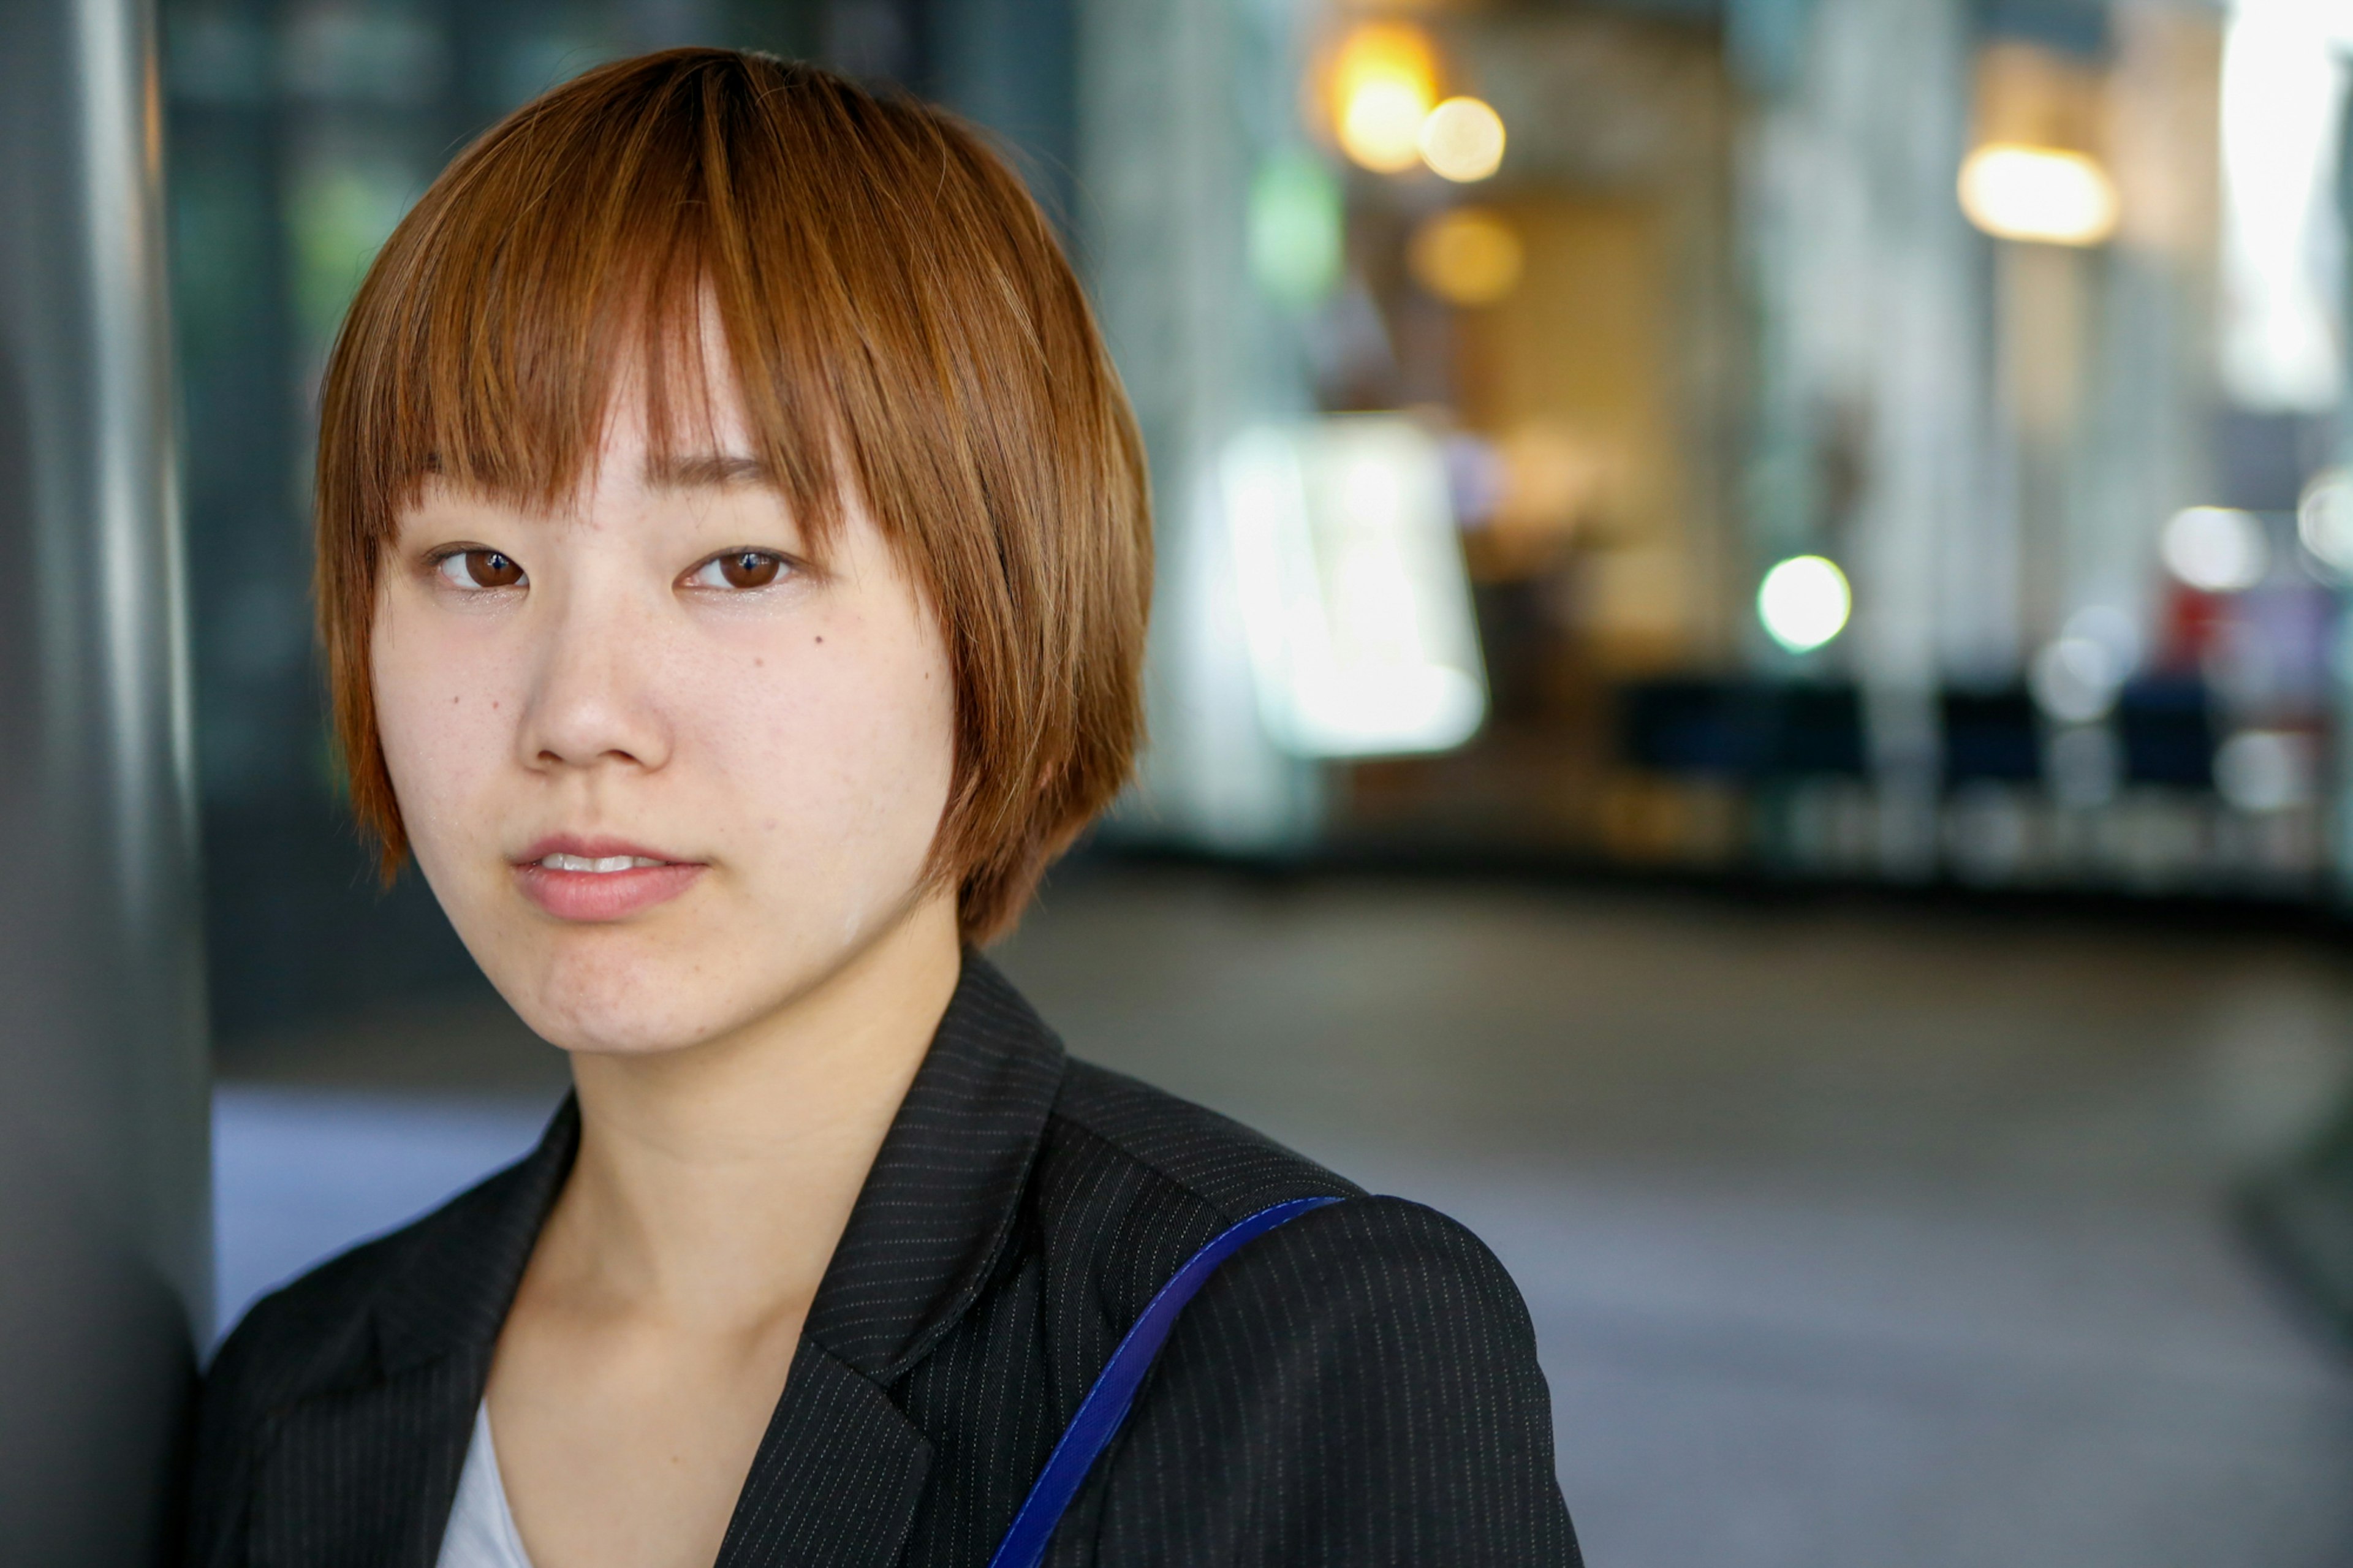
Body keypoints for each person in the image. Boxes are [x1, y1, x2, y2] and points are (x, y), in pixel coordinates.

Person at [185, 48, 1579, 1568]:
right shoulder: (297, 1386)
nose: (575, 710)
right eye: (479, 564)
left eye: (741, 563)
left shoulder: (1290, 1346)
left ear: (1002, 625)